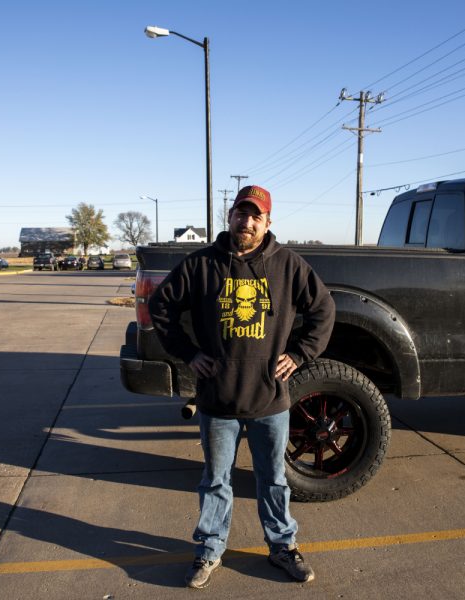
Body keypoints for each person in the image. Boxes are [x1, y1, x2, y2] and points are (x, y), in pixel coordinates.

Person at [148, 185, 335, 588]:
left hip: (271, 399)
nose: (246, 222)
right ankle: (209, 550)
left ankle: (283, 547)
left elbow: (323, 309)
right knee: (215, 481)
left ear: (268, 222)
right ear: (229, 216)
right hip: (218, 400)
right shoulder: (200, 265)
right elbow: (161, 305)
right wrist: (188, 352)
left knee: (274, 480)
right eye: (240, 213)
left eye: (255, 216)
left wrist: (300, 354)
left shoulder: (288, 266)